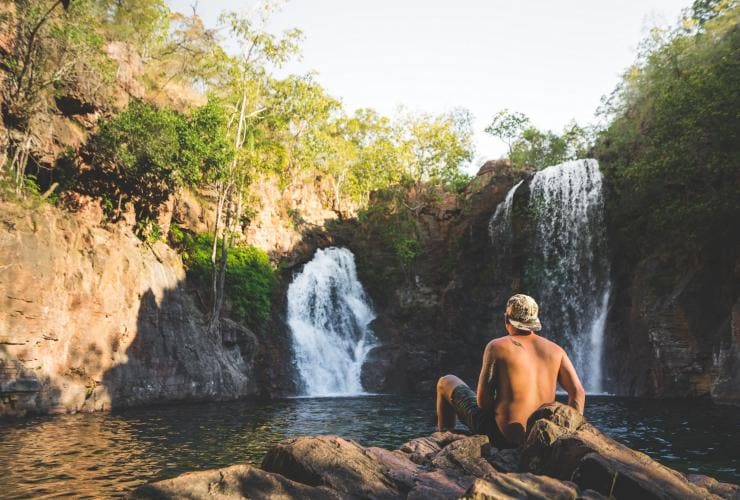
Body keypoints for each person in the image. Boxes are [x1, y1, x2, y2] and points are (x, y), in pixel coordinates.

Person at [435, 294, 586, 448]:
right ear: (535, 320)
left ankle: (444, 442)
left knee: (446, 381)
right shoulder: (556, 350)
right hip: (540, 439)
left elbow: (483, 402)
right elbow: (578, 392)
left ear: (507, 318)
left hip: (502, 437)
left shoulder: (497, 347)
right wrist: (568, 434)